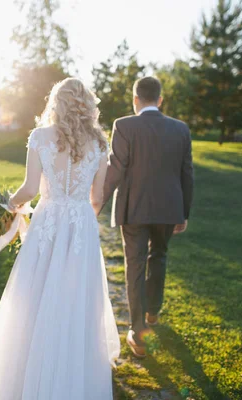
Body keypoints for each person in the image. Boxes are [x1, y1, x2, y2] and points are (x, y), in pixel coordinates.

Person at [0, 78, 120, 400]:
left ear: (56, 103)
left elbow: (30, 189)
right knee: (76, 296)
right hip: (81, 226)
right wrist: (83, 217)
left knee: (33, 293)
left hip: (48, 222)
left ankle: (28, 370)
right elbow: (99, 194)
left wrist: (8, 206)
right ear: (87, 105)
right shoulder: (100, 142)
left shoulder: (40, 136)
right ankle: (71, 370)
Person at [103, 76, 194, 358]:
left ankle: (138, 330)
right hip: (169, 209)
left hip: (134, 209)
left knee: (135, 264)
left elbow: (115, 168)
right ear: (160, 99)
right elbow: (186, 173)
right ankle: (152, 313)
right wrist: (184, 212)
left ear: (135, 99)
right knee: (160, 256)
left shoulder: (123, 125)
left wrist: (95, 203)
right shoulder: (180, 129)